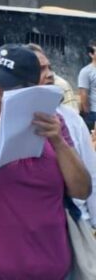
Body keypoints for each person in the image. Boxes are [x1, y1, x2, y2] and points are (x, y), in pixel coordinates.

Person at [0, 44, 91, 279]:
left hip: (50, 269)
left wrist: (59, 143)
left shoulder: (53, 124)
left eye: (2, 85)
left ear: (30, 91)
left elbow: (82, 189)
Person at [27, 43, 96, 231]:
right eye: (40, 69)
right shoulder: (3, 121)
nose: (50, 74)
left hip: (72, 221)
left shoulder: (71, 119)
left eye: (50, 68)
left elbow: (90, 173)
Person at [78, 42, 96, 131]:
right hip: (93, 113)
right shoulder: (86, 72)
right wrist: (87, 113)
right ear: (91, 54)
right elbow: (83, 94)